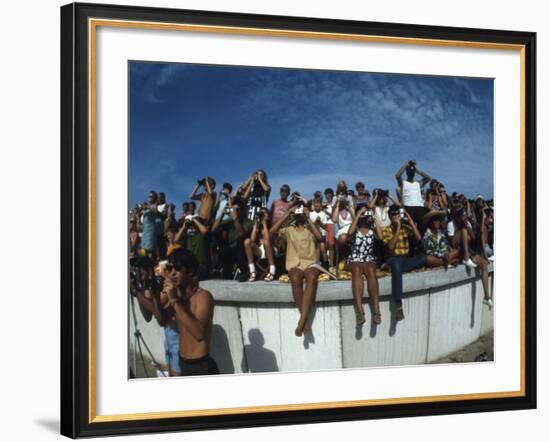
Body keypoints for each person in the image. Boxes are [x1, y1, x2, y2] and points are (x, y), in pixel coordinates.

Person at [163, 248, 219, 376]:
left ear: (190, 271)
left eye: (177, 269)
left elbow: (199, 334)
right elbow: (162, 320)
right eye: (170, 268)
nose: (172, 273)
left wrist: (175, 301)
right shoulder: (177, 296)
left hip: (201, 367)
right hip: (183, 363)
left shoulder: (203, 296)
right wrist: (158, 294)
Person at [271, 203, 322, 337]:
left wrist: (308, 218)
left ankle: (301, 322)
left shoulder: (309, 228)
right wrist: (287, 214)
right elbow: (272, 231)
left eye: (301, 212)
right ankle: (305, 320)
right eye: (297, 213)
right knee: (295, 279)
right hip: (295, 263)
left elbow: (319, 237)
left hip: (310, 263)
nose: (299, 215)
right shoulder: (289, 230)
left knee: (311, 278)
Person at [130, 256, 181, 376]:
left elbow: (159, 315)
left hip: (177, 337)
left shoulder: (166, 285)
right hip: (169, 336)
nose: (143, 277)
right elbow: (148, 317)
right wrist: (139, 291)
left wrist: (137, 294)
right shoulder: (151, 285)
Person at [382, 206, 426, 321]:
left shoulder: (406, 227)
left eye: (397, 214)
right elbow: (390, 248)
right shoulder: (386, 230)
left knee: (422, 258)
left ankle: (393, 270)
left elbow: (418, 238)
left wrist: (410, 221)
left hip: (405, 258)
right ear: (389, 216)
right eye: (393, 214)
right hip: (393, 258)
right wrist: (397, 228)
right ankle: (398, 304)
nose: (396, 216)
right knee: (396, 265)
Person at [448, 205, 493, 307]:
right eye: (462, 214)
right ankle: (466, 258)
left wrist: (468, 227)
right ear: (457, 216)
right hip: (458, 250)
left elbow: (472, 238)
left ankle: (487, 297)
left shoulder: (466, 222)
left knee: (484, 264)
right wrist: (461, 228)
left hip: (468, 249)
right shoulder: (451, 224)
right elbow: (452, 243)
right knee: (463, 230)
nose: (464, 216)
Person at [347, 206, 383, 326]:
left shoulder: (372, 229)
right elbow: (349, 233)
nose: (364, 215)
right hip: (354, 258)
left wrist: (374, 219)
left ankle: (377, 310)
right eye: (361, 212)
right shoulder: (355, 228)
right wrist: (357, 216)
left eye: (365, 213)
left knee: (371, 270)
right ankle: (360, 311)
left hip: (368, 258)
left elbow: (381, 237)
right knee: (357, 269)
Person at [395, 160, 431, 227]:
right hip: (408, 207)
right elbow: (397, 176)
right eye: (409, 171)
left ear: (414, 173)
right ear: (406, 173)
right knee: (408, 228)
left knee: (421, 228)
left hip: (420, 207)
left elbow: (428, 178)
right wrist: (405, 165)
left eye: (412, 171)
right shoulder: (403, 183)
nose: (411, 172)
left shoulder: (418, 183)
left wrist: (416, 170)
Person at [244, 208, 277, 281]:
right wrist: (256, 225)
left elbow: (267, 239)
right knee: (247, 241)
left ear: (268, 216)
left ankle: (272, 268)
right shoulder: (258, 228)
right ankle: (252, 270)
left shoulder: (271, 227)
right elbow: (251, 241)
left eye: (264, 214)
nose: (262, 216)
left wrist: (264, 223)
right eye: (261, 214)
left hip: (271, 249)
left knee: (266, 242)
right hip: (261, 251)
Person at [309, 197, 330, 266]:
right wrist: (315, 222)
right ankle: (316, 263)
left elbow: (326, 227)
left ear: (321, 204)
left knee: (322, 248)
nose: (317, 205)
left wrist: (320, 222)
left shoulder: (323, 214)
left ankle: (326, 265)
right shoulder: (310, 214)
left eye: (318, 203)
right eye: (315, 203)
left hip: (322, 236)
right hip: (313, 236)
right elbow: (310, 227)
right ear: (313, 204)